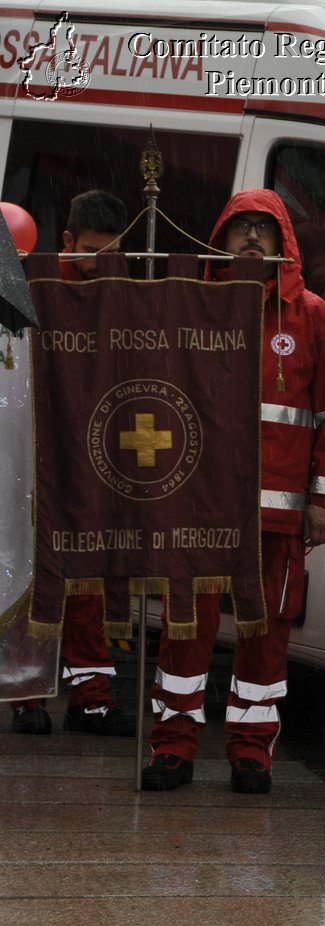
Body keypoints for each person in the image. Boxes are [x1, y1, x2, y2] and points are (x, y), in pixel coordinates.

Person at [142, 189, 325, 795]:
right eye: (242, 228)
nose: (253, 238)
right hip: (198, 510)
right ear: (221, 238)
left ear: (285, 239)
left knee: (267, 636)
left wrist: (323, 501)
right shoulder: (190, 307)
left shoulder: (315, 317)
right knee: (185, 631)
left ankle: (252, 752)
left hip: (279, 517)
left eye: (266, 228)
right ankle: (173, 748)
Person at [11, 190, 135, 737]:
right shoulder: (28, 289)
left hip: (94, 454)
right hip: (32, 450)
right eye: (88, 253)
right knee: (26, 574)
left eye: (109, 256)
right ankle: (24, 691)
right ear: (65, 242)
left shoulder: (130, 296)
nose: (97, 267)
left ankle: (91, 695)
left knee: (89, 576)